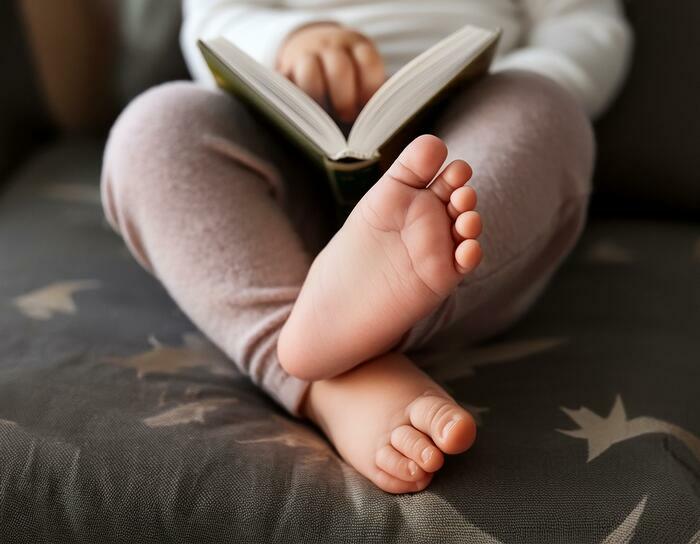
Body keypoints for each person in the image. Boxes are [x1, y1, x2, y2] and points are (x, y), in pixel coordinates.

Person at [100, 0, 631, 493]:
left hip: (454, 157)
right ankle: (337, 366)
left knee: (543, 105)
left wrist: (527, 76)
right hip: (281, 174)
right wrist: (289, 39)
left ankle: (344, 343)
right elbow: (215, 16)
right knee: (155, 127)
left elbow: (587, 24)